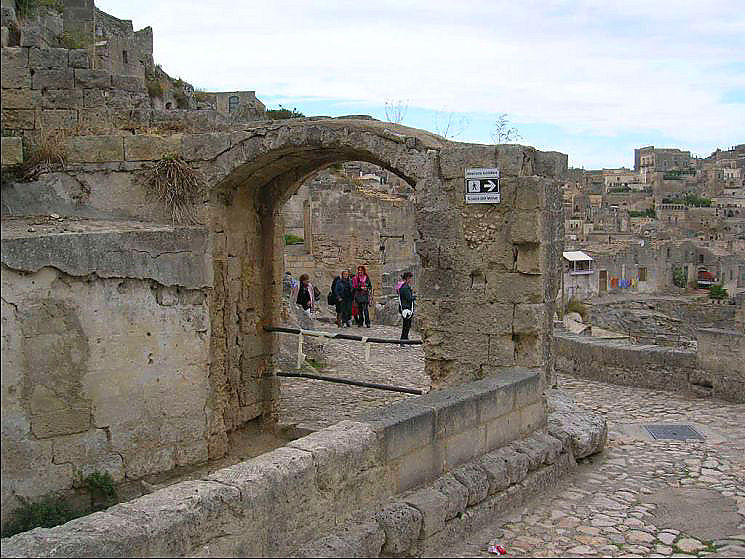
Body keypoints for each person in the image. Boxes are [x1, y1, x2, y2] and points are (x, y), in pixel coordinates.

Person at [398, 271, 416, 347]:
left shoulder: (404, 286)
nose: (411, 280)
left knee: (407, 325)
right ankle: (403, 340)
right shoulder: (405, 287)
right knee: (406, 326)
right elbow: (409, 298)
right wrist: (415, 297)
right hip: (406, 308)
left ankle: (405, 339)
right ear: (408, 278)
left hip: (406, 308)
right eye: (410, 278)